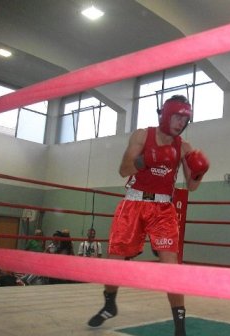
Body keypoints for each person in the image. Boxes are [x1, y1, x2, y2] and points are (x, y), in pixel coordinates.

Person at [87, 95, 209, 336]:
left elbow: (191, 186)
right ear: (165, 115)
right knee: (114, 264)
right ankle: (110, 304)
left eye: (185, 118)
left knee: (171, 269)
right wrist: (146, 159)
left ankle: (180, 328)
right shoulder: (142, 135)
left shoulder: (183, 146)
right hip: (133, 203)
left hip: (163, 209)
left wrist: (198, 172)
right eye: (176, 116)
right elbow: (123, 170)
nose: (180, 122)